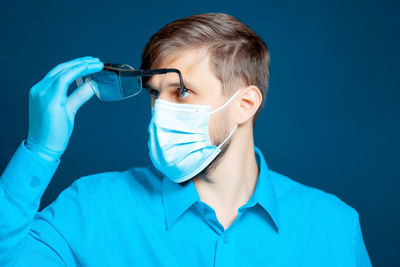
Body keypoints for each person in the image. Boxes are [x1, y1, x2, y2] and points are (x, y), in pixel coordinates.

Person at [0, 13, 372, 266]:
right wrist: (39, 151)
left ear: (244, 104)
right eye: (154, 93)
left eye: (181, 92)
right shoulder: (92, 207)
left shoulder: (333, 226)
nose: (160, 110)